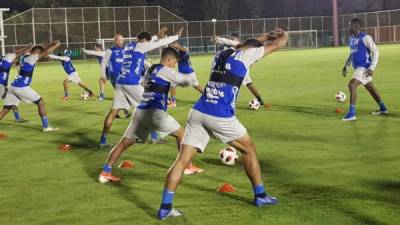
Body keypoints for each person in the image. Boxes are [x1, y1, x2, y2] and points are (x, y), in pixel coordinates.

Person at [156, 29, 288, 220]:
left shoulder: (220, 55)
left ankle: (165, 207)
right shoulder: (245, 56)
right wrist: (282, 34)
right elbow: (278, 44)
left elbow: (243, 44)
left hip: (199, 111)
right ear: (250, 48)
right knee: (249, 150)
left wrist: (264, 36)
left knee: (183, 159)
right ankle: (260, 196)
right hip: (220, 115)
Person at [99, 47, 204, 184]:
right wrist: (189, 71)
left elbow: (154, 83)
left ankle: (105, 172)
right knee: (182, 135)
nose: (174, 65)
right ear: (168, 59)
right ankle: (187, 166)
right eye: (174, 62)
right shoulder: (166, 70)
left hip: (140, 111)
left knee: (124, 142)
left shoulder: (151, 69)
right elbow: (187, 82)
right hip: (155, 113)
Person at [98, 27, 177, 149]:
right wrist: (175, 36)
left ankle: (103, 141)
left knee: (113, 112)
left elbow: (151, 43)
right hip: (131, 83)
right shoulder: (141, 46)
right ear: (144, 40)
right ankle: (155, 137)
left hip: (120, 82)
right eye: (147, 41)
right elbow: (157, 44)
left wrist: (157, 36)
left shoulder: (130, 46)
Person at [0, 41, 61, 132]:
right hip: (21, 87)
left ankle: (42, 125)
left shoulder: (25, 57)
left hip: (13, 87)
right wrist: (55, 45)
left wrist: (49, 44)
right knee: (40, 102)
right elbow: (45, 52)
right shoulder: (32, 57)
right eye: (39, 53)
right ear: (36, 53)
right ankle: (46, 127)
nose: (40, 55)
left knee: (6, 109)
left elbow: (41, 49)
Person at [341, 18, 387, 121]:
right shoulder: (351, 38)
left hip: (364, 67)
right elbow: (351, 53)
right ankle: (383, 108)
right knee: (371, 89)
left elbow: (376, 52)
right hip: (358, 68)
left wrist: (371, 68)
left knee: (352, 85)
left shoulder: (366, 38)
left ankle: (352, 113)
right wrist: (346, 66)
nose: (348, 27)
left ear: (356, 26)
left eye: (350, 26)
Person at [213, 33, 266, 106]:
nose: (231, 40)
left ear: (237, 39)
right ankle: (259, 99)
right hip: (232, 67)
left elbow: (227, 41)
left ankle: (259, 99)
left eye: (233, 38)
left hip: (239, 66)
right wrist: (217, 39)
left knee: (247, 84)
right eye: (231, 38)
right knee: (240, 84)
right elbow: (226, 42)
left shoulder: (238, 44)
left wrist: (217, 39)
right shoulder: (231, 46)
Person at [0, 45, 31, 123]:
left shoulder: (4, 58)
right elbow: (20, 53)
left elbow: (15, 57)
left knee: (13, 98)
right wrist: (28, 48)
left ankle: (17, 118)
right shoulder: (9, 57)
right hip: (1, 85)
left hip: (3, 84)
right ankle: (17, 118)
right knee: (9, 103)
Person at [167, 41, 203, 108]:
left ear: (179, 44)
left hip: (189, 74)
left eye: (176, 44)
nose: (174, 45)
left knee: (198, 87)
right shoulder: (176, 53)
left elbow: (185, 50)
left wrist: (178, 47)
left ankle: (208, 98)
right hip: (182, 74)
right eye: (174, 44)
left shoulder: (183, 50)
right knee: (172, 84)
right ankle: (173, 101)